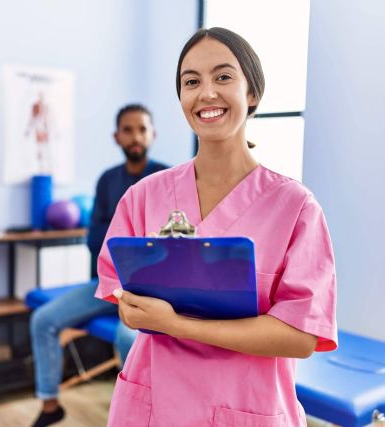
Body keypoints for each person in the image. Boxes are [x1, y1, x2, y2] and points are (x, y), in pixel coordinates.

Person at [95, 28, 337, 426]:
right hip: (153, 402)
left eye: (223, 77)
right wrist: (134, 312)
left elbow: (301, 337)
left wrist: (174, 324)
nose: (206, 93)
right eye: (191, 82)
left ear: (252, 93)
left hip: (244, 406)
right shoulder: (143, 197)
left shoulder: (295, 207)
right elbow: (120, 298)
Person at [30, 104, 169, 427]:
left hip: (147, 291)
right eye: (128, 130)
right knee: (43, 320)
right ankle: (50, 407)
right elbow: (95, 238)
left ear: (152, 134)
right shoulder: (108, 180)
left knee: (127, 338)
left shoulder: (167, 178)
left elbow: (167, 245)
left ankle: (137, 417)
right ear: (116, 136)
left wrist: (124, 244)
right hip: (107, 284)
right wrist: (130, 245)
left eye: (142, 129)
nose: (135, 137)